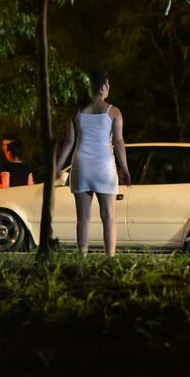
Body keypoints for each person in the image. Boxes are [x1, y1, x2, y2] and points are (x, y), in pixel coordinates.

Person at [56, 71, 131, 256]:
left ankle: (82, 256)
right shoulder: (113, 111)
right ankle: (110, 257)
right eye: (108, 85)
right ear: (104, 87)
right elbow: (119, 142)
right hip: (104, 168)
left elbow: (69, 142)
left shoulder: (77, 112)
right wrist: (125, 168)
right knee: (109, 216)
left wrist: (57, 166)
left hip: (81, 166)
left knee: (83, 218)